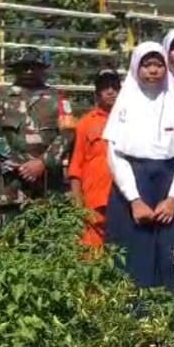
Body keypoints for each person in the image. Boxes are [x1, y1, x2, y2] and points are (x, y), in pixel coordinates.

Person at [103, 42, 174, 290]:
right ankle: (131, 322)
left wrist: (173, 199)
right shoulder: (125, 104)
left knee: (172, 258)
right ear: (136, 67)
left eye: (158, 64)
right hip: (132, 189)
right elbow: (115, 154)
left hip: (168, 188)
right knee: (132, 257)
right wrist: (134, 199)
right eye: (147, 65)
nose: (153, 71)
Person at [0, 47, 75, 223]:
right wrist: (20, 166)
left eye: (34, 66)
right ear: (15, 69)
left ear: (42, 69)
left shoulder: (58, 98)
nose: (28, 71)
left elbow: (68, 133)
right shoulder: (1, 99)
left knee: (48, 238)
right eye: (23, 66)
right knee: (8, 240)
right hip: (11, 185)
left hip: (48, 183)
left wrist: (42, 163)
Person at [68, 69, 121, 248]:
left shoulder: (130, 120)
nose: (110, 91)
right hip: (94, 201)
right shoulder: (85, 123)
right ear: (97, 92)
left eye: (114, 86)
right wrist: (78, 203)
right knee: (91, 258)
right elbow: (75, 166)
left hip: (123, 200)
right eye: (104, 87)